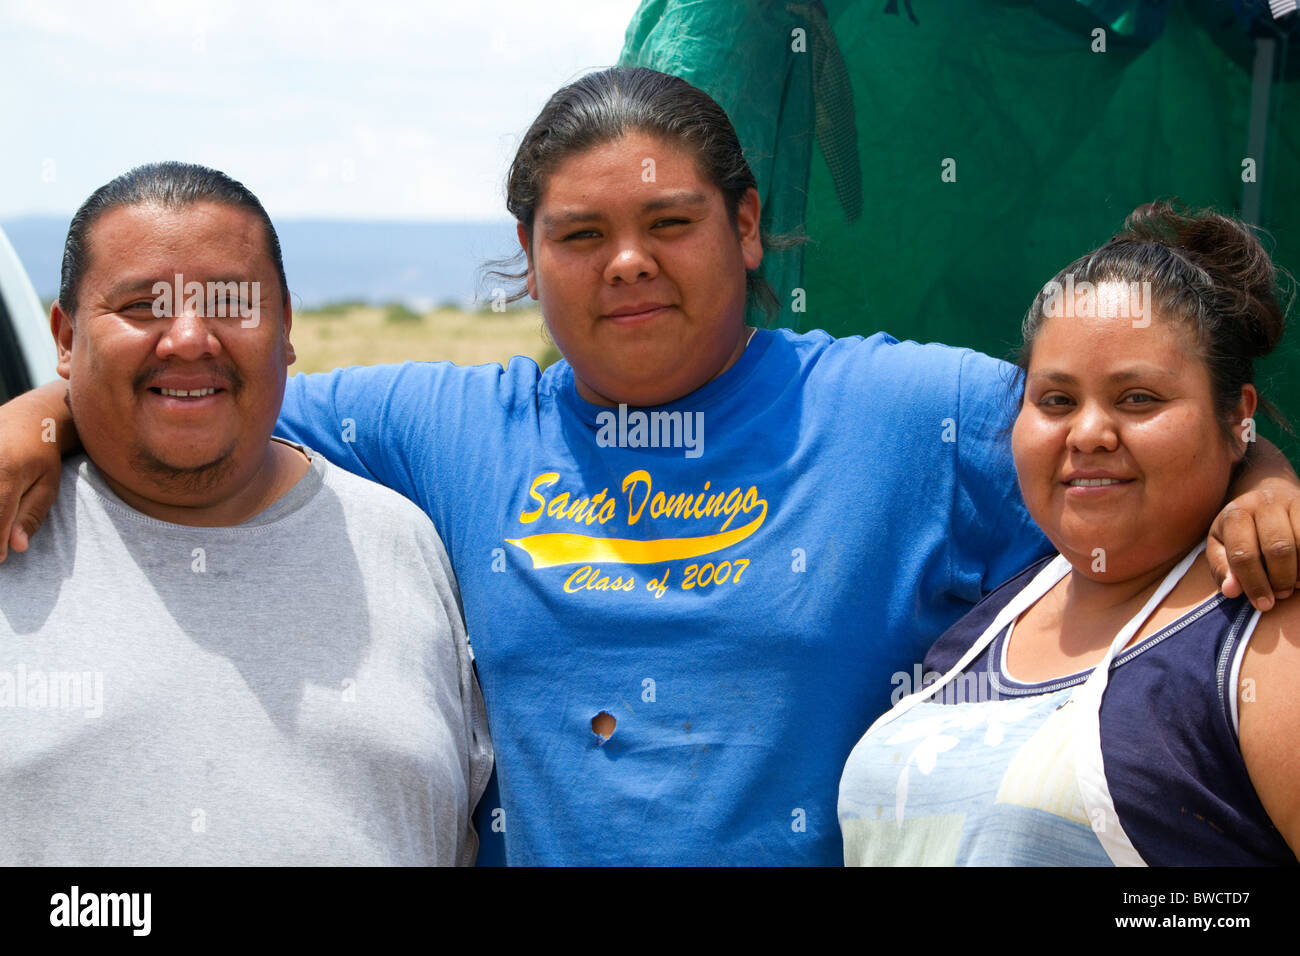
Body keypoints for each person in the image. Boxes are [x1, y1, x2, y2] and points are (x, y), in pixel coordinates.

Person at [0, 70, 1296, 866]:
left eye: (669, 222)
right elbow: (203, 401)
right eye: (582, 234)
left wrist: (1265, 492)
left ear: (743, 228)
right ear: (528, 254)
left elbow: (1131, 439)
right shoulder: (442, 426)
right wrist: (45, 415)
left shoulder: (905, 410)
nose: (627, 261)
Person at [0, 162, 491, 866]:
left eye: (232, 302)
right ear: (66, 340)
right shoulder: (13, 529)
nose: (191, 338)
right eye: (142, 306)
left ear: (285, 328)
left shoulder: (404, 544)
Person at [839, 203, 1299, 865]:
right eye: (1055, 400)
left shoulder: (1265, 625)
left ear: (1237, 418)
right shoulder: (975, 634)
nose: (1087, 434)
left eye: (1139, 398)